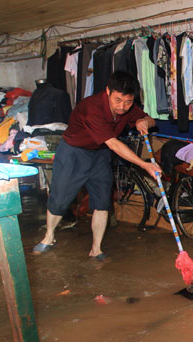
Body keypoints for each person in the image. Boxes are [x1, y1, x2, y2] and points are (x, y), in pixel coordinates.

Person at [33, 71, 160, 260]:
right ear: (108, 91)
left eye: (127, 102)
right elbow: (114, 143)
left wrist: (144, 121)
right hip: (73, 153)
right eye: (117, 100)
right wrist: (144, 164)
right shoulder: (91, 108)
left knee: (102, 202)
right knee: (60, 200)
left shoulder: (127, 107)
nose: (122, 107)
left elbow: (150, 119)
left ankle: (96, 249)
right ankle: (49, 235)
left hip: (99, 154)